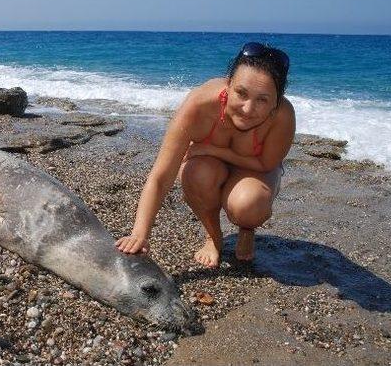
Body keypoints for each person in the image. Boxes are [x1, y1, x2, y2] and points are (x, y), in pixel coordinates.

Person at [115, 42, 295, 268]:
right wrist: (139, 234)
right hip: (208, 167)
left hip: (255, 169)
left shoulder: (282, 116)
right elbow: (161, 177)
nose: (248, 109)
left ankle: (247, 230)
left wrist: (212, 148)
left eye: (262, 99)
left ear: (275, 102)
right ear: (228, 85)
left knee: (249, 206)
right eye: (241, 93)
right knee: (194, 172)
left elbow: (266, 162)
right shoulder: (199, 105)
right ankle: (213, 236)